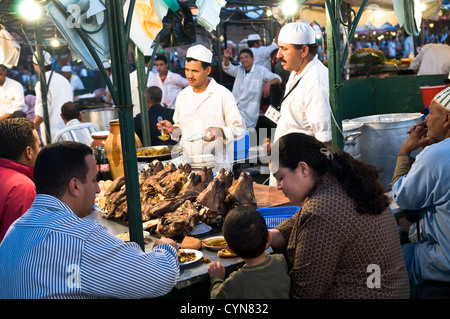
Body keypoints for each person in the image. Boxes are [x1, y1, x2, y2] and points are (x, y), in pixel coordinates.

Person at [0, 141, 179, 298]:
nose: (98, 189)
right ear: (75, 186)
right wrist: (165, 248)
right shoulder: (82, 239)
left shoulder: (13, 231)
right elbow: (159, 276)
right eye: (94, 180)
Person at [267, 132, 410, 298]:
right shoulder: (341, 182)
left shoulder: (321, 209)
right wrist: (275, 234)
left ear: (303, 168)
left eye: (280, 177)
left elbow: (304, 292)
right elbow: (302, 219)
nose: (278, 186)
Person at [391, 86, 450, 298]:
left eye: (431, 113)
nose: (426, 118)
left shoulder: (437, 155)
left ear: (446, 120)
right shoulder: (437, 152)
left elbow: (403, 198)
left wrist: (405, 151)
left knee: (386, 263)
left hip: (445, 262)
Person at [157, 44, 246, 172]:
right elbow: (182, 131)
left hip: (217, 168)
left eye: (195, 71)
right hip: (188, 167)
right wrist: (172, 129)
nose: (189, 75)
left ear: (208, 70)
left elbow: (240, 129)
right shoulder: (183, 96)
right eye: (187, 70)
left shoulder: (222, 94)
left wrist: (220, 131)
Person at [269, 22, 332, 186]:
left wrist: (319, 186)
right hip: (287, 172)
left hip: (301, 180)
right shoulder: (298, 71)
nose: (278, 55)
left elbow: (326, 142)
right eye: (279, 48)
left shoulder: (316, 81)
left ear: (303, 51)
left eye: (284, 49)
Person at [207, 206, 290, 299]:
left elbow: (216, 296)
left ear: (230, 249)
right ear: (269, 237)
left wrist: (216, 278)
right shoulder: (281, 261)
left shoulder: (236, 281)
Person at [0, 118, 40, 242]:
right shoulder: (22, 187)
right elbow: (21, 243)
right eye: (38, 146)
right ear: (29, 151)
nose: (40, 151)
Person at [222, 46, 281, 129]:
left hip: (249, 113)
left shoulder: (260, 70)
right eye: (242, 58)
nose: (244, 60)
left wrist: (268, 83)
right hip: (234, 109)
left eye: (246, 57)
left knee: (244, 134)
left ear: (253, 59)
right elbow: (227, 68)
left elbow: (277, 79)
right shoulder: (239, 70)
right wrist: (226, 57)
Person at [33, 51, 73, 145]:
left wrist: (30, 129)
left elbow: (42, 113)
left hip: (53, 134)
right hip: (68, 130)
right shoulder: (64, 80)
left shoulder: (42, 84)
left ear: (36, 66)